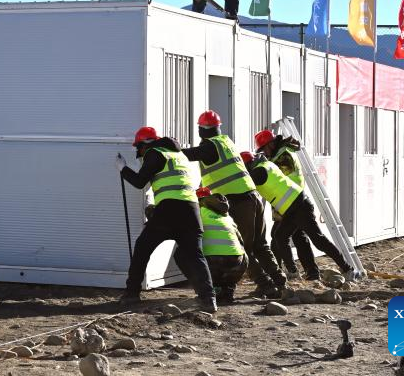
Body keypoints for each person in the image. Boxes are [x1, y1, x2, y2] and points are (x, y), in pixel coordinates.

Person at [181, 111, 287, 298]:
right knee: (260, 245)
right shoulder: (225, 143)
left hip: (238, 202)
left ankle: (266, 284)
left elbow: (189, 155)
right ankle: (281, 282)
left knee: (241, 247)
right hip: (252, 197)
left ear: (201, 129)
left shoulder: (209, 146)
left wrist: (170, 148)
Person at [115, 127, 217, 312]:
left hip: (170, 209)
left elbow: (139, 182)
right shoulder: (178, 156)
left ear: (145, 144)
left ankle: (131, 295)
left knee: (142, 248)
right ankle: (208, 299)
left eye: (139, 148)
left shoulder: (155, 153)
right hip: (192, 210)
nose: (139, 153)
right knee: (196, 256)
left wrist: (123, 169)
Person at [240, 149, 354, 279]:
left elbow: (245, 183)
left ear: (248, 165)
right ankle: (293, 272)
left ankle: (347, 268)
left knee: (318, 240)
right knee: (280, 236)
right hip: (292, 208)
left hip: (299, 206)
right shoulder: (266, 164)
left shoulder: (259, 172)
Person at [254, 130, 318, 280]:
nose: (264, 152)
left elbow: (275, 177)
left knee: (278, 237)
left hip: (292, 203)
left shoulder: (282, 156)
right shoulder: (281, 153)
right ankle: (310, 271)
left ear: (271, 144)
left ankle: (283, 271)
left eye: (264, 148)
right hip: (290, 203)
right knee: (298, 237)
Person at [197, 186, 248, 305]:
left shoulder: (198, 212)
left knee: (187, 254)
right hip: (238, 263)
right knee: (240, 252)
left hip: (214, 263)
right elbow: (241, 241)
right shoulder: (226, 216)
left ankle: (210, 292)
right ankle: (227, 291)